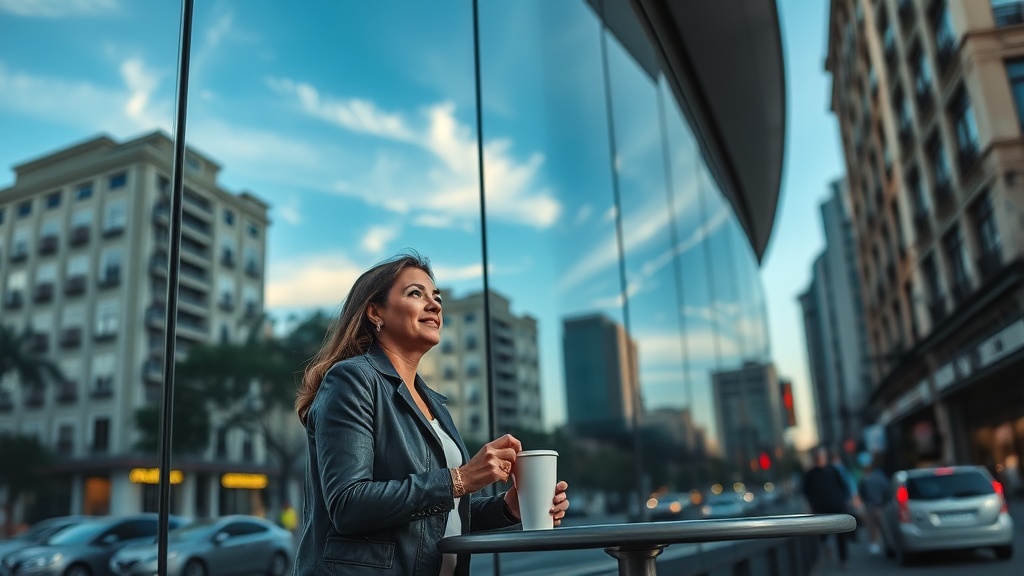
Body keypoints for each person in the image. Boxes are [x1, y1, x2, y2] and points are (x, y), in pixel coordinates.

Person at [292, 252, 570, 576]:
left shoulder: (434, 404)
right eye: (416, 294)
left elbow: (432, 520)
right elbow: (349, 505)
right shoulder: (352, 380)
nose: (435, 305)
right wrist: (460, 479)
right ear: (375, 312)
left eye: (436, 297)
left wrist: (507, 508)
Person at [803, 446, 852, 568]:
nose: (821, 459)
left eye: (823, 456)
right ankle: (827, 549)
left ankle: (843, 560)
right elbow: (806, 491)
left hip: (837, 506)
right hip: (820, 509)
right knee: (822, 534)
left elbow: (843, 486)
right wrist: (810, 506)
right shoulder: (810, 474)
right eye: (819, 456)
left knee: (841, 534)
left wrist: (846, 501)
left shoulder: (833, 470)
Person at [858, 452, 889, 555]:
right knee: (880, 526)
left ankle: (875, 544)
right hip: (878, 505)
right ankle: (882, 544)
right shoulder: (879, 476)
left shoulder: (864, 478)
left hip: (872, 506)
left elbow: (861, 493)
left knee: (873, 527)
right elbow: (886, 489)